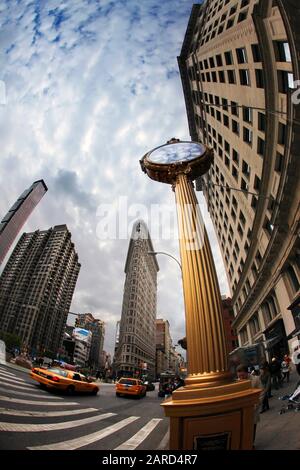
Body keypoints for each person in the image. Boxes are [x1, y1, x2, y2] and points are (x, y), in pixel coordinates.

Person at [236, 364, 264, 448]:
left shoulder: (255, 379)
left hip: (253, 408)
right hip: (242, 408)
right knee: (243, 428)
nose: (241, 377)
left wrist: (256, 404)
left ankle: (251, 443)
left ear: (247, 373)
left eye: (242, 375)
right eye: (239, 376)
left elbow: (261, 393)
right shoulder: (237, 382)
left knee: (252, 427)